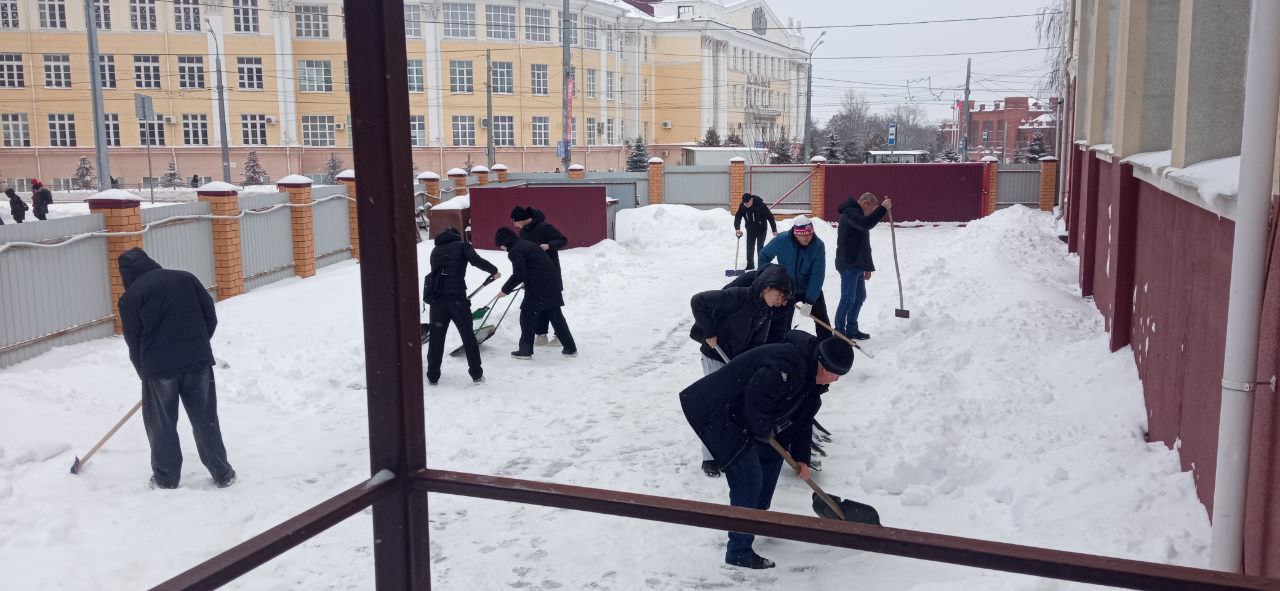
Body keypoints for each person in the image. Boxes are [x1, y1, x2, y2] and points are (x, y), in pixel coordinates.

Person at [680, 331, 853, 569]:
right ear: (823, 367)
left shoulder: (812, 383)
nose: (837, 380)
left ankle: (754, 518)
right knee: (749, 478)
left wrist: (802, 459)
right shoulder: (788, 364)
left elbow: (802, 422)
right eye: (836, 375)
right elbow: (757, 395)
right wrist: (763, 430)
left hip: (749, 417)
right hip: (721, 411)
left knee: (771, 459)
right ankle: (738, 551)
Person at [117, 247, 235, 489]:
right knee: (205, 419)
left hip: (159, 370)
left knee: (162, 425)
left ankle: (166, 478)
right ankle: (222, 473)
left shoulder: (131, 297)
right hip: (197, 362)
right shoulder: (185, 278)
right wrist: (197, 345)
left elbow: (133, 340)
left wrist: (145, 373)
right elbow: (209, 314)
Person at [690, 264, 792, 478]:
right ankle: (709, 458)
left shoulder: (766, 311)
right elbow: (698, 301)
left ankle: (728, 447)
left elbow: (758, 342)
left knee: (732, 405)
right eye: (779, 296)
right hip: (715, 355)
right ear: (767, 288)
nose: (780, 302)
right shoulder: (738, 296)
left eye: (784, 299)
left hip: (735, 360)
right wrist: (709, 332)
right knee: (715, 406)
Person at [424, 227, 500, 385]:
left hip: (437, 301)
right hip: (457, 299)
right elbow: (475, 260)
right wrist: (493, 270)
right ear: (457, 236)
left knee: (436, 339)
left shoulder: (435, 250)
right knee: (468, 337)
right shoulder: (462, 245)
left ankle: (433, 376)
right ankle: (477, 375)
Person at [495, 227, 577, 359]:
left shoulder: (514, 251)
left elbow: (519, 274)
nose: (502, 249)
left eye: (501, 246)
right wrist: (528, 280)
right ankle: (570, 348)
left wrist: (505, 290)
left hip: (538, 288)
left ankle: (525, 351)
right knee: (556, 317)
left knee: (526, 316)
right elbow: (536, 266)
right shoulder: (527, 245)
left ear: (505, 243)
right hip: (552, 283)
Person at [760, 215, 831, 340]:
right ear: (796, 233)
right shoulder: (782, 240)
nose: (807, 238)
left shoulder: (818, 245)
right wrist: (768, 277)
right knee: (780, 321)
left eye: (809, 234)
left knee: (822, 321)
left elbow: (817, 275)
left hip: (809, 287)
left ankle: (826, 346)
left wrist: (810, 301)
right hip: (786, 288)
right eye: (803, 235)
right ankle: (779, 344)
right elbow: (764, 256)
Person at [835, 193, 892, 340]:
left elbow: (864, 245)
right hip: (849, 263)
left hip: (858, 264)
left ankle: (852, 329)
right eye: (871, 209)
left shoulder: (857, 215)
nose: (871, 213)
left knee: (860, 297)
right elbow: (866, 223)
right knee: (848, 298)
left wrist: (867, 267)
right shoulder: (850, 213)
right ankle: (839, 332)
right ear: (865, 203)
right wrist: (882, 209)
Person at [511, 206, 569, 347]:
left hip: (550, 274)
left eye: (515, 221)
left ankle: (560, 336)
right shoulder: (523, 232)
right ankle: (541, 334)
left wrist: (549, 245)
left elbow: (563, 240)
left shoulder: (545, 227)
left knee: (552, 306)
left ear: (522, 219)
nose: (514, 225)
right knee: (539, 304)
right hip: (533, 275)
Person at [733, 193, 777, 270]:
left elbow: (770, 217)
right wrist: (737, 228)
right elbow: (738, 217)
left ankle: (761, 265)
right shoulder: (743, 206)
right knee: (749, 247)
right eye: (744, 204)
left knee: (760, 248)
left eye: (747, 203)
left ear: (751, 200)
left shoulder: (761, 205)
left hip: (761, 229)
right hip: (750, 229)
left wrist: (774, 230)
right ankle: (750, 265)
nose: (746, 205)